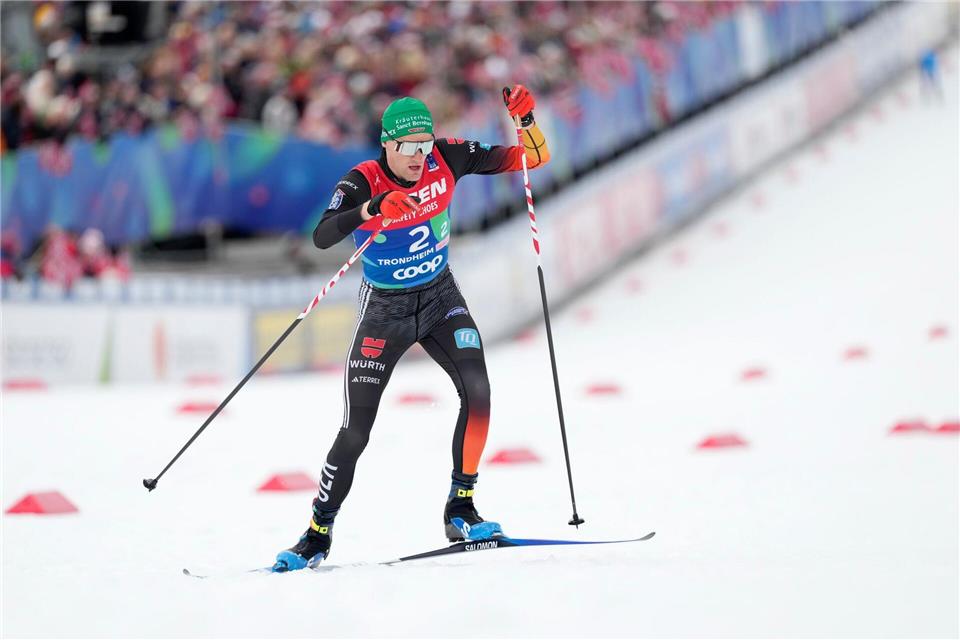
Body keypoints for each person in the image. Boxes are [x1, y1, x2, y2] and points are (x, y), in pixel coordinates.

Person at [274, 86, 551, 571]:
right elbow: (322, 236)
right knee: (356, 430)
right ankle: (317, 532)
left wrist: (526, 120)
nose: (419, 156)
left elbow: (534, 159)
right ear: (387, 144)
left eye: (425, 144)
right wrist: (373, 209)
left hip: (441, 298)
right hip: (385, 311)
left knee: (479, 392)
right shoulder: (363, 179)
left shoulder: (450, 156)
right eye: (408, 147)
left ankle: (461, 508)